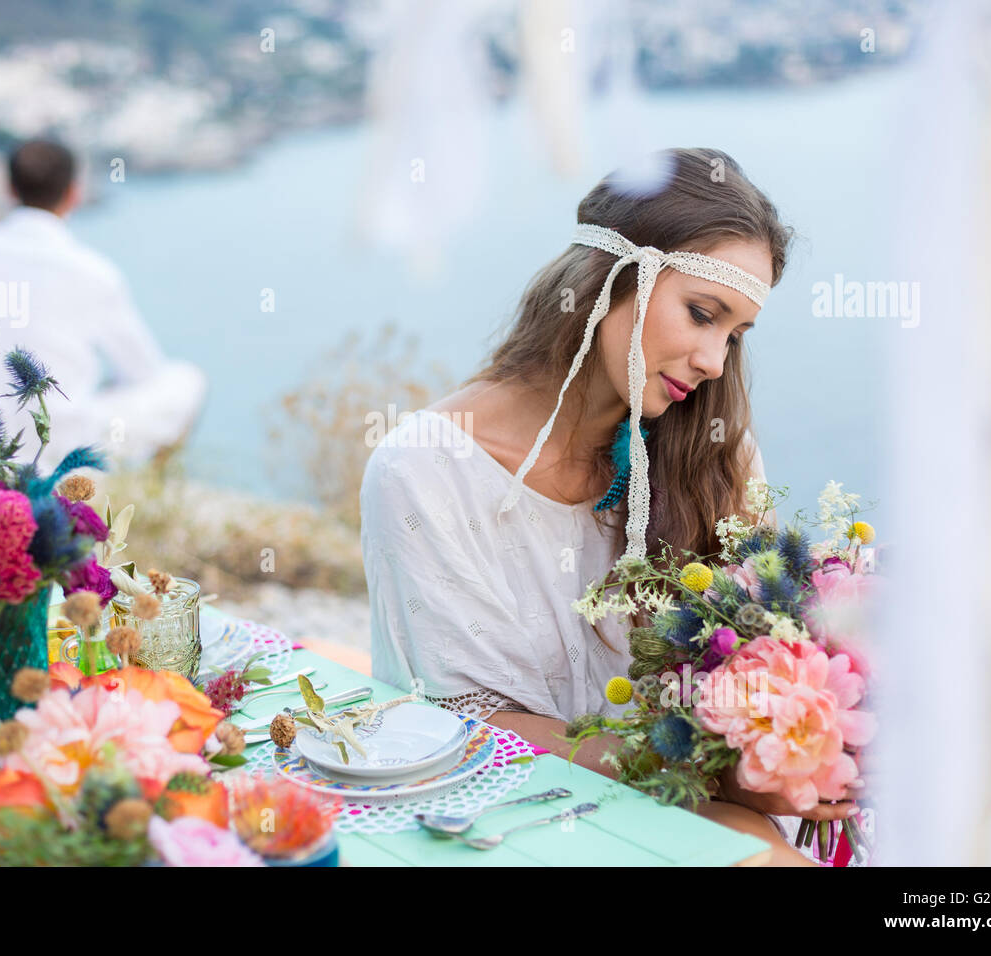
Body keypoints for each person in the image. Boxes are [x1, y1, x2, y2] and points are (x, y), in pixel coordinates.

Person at [360, 148, 855, 865]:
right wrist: (715, 774)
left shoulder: (715, 451)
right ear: (613, 278)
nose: (716, 361)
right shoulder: (425, 470)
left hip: (692, 805)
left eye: (735, 335)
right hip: (500, 817)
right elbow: (470, 722)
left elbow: (768, 652)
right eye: (702, 314)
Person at [0, 139, 204, 470]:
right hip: (56, 450)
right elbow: (142, 370)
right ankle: (153, 489)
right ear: (74, 193)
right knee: (186, 380)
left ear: (9, 188)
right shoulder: (94, 273)